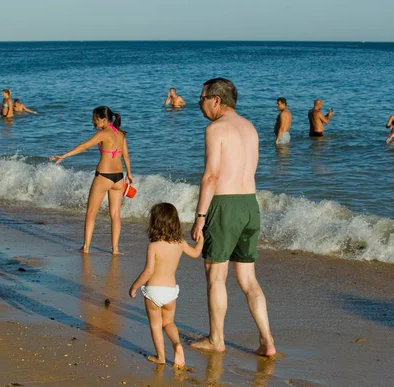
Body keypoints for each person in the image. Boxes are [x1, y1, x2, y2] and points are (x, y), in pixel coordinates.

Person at [190, 78, 276, 357]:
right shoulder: (250, 128)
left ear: (216, 99)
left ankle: (217, 339)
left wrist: (200, 217)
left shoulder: (216, 128)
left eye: (201, 98)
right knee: (248, 279)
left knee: (216, 275)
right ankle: (267, 341)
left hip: (224, 205)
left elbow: (212, 176)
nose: (199, 104)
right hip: (250, 204)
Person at [129, 203, 204, 368]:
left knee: (156, 325)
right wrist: (201, 240)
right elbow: (196, 253)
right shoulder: (180, 243)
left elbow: (148, 271)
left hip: (153, 291)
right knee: (169, 323)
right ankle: (177, 344)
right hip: (170, 291)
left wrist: (134, 286)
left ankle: (161, 357)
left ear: (155, 223)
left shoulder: (153, 246)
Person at [49, 106, 133, 254]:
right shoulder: (121, 134)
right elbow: (126, 155)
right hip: (119, 178)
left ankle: (86, 247)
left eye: (95, 118)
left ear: (103, 119)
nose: (93, 121)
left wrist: (64, 155)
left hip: (104, 176)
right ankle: (115, 249)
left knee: (91, 213)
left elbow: (84, 146)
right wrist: (129, 174)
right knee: (115, 214)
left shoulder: (103, 133)